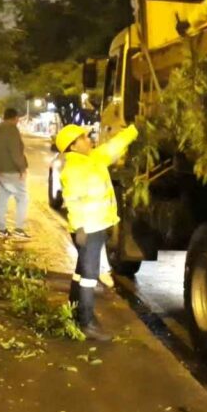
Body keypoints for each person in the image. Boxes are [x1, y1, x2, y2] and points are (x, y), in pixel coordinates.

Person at [55, 123, 138, 341]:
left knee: (81, 271)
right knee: (89, 277)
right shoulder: (73, 169)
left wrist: (134, 130)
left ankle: (73, 312)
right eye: (83, 138)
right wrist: (80, 228)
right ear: (72, 146)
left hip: (97, 226)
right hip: (87, 229)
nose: (88, 139)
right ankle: (86, 322)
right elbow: (72, 202)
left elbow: (114, 146)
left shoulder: (94, 158)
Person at [0, 107, 29, 239]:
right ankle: (19, 228)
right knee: (22, 198)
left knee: (2, 199)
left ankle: (1, 229)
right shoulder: (12, 129)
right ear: (15, 118)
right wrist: (22, 168)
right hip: (11, 170)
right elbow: (15, 151)